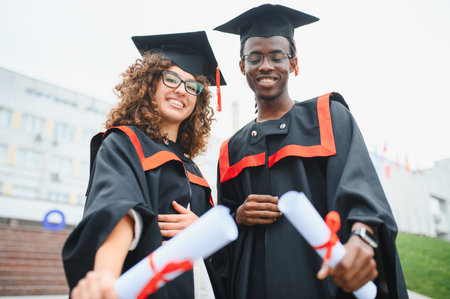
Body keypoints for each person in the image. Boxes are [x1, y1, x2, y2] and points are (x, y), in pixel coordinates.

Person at [211, 4, 408, 298]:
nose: (266, 66)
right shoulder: (232, 148)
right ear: (242, 65)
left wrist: (361, 239)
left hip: (323, 283)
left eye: (277, 56)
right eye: (255, 57)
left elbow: (362, 192)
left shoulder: (328, 116)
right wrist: (237, 216)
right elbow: (221, 234)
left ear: (293, 62)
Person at [62, 31, 226, 299]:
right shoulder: (125, 142)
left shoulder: (192, 168)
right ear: (150, 84)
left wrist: (201, 229)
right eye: (171, 79)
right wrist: (105, 276)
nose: (181, 91)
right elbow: (118, 207)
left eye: (192, 86)